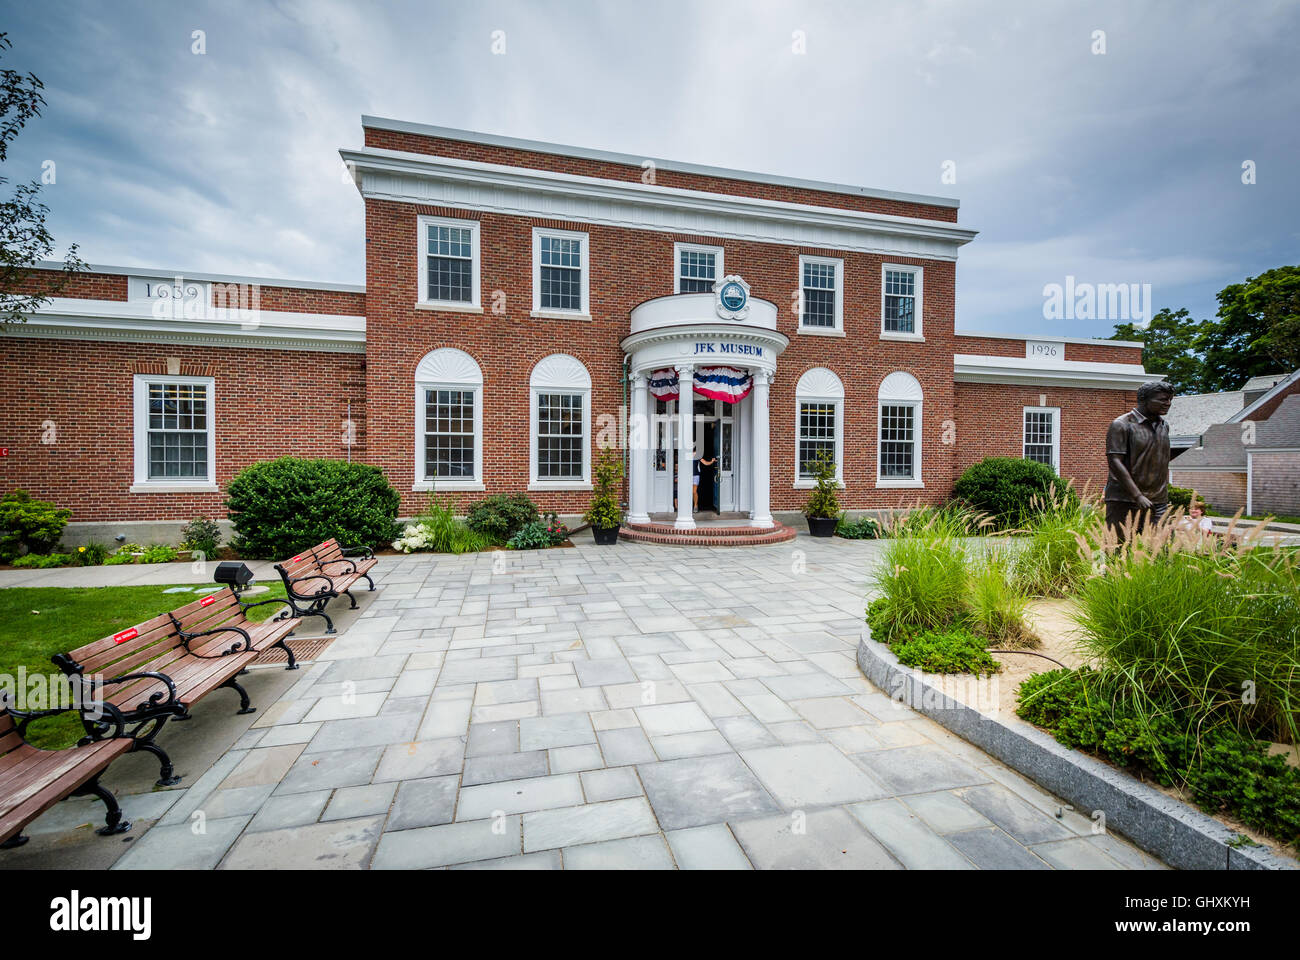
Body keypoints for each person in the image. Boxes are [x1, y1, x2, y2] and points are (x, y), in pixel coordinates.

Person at [1104, 379, 1175, 540]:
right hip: (1124, 499)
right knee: (1117, 548)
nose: (1168, 403)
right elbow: (1115, 461)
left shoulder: (1164, 426)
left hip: (1158, 500)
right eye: (1163, 399)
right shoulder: (1121, 425)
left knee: (1163, 547)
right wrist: (1137, 495)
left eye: (1170, 399)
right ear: (1144, 399)